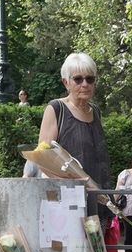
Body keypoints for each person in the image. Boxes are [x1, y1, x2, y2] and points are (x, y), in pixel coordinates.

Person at [39, 52, 109, 215]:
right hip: (66, 199)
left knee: (96, 240)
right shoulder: (56, 109)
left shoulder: (96, 111)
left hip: (97, 196)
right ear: (66, 82)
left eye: (90, 79)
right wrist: (72, 184)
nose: (85, 84)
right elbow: (42, 159)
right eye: (78, 79)